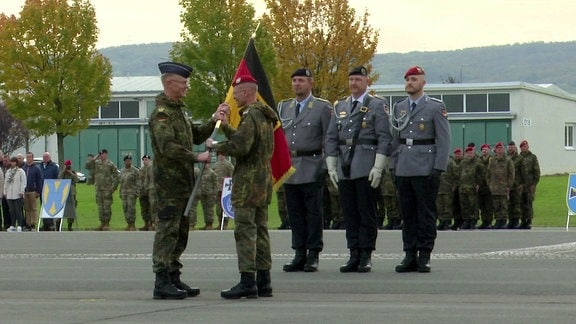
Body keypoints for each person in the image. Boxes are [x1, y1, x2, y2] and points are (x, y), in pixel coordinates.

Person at [149, 61, 228, 300]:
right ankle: (161, 279)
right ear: (170, 83)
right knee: (168, 229)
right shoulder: (162, 115)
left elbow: (193, 135)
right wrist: (196, 156)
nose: (186, 87)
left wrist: (214, 119)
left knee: (181, 230)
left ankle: (173, 274)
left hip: (183, 182)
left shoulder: (178, 112)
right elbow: (168, 147)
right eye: (183, 83)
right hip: (169, 183)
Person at [208, 74, 276, 299]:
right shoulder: (264, 116)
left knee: (245, 231)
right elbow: (247, 140)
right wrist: (227, 128)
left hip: (248, 181)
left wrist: (216, 145)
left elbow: (241, 146)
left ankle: (248, 280)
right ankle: (264, 280)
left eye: (236, 95)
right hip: (263, 179)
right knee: (261, 229)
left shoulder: (251, 116)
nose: (234, 100)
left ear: (247, 93)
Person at [325, 66, 392, 273]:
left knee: (366, 212)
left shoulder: (377, 105)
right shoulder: (340, 106)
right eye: (351, 79)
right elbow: (331, 137)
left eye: (358, 79)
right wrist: (331, 166)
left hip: (365, 166)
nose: (354, 83)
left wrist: (378, 166)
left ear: (367, 81)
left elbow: (384, 137)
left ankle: (366, 254)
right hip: (346, 167)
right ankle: (353, 252)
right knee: (350, 213)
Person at [390, 66, 451, 273]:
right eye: (407, 79)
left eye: (414, 79)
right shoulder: (399, 107)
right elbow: (394, 140)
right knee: (407, 214)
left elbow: (443, 140)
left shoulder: (435, 107)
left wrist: (438, 168)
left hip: (425, 167)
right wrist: (393, 166)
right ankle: (409, 254)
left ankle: (424, 255)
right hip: (404, 166)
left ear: (423, 83)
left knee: (425, 213)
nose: (410, 83)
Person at [278, 68, 332, 273]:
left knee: (314, 213)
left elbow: (329, 137)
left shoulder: (321, 107)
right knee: (295, 214)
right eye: (294, 81)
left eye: (301, 80)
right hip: (291, 167)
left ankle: (313, 253)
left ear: (310, 83)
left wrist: (326, 165)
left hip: (312, 164)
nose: (297, 84)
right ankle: (298, 252)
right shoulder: (285, 107)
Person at [85, 149, 120, 231]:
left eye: (103, 154)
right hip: (99, 189)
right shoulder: (96, 163)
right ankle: (102, 223)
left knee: (107, 207)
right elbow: (87, 166)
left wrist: (113, 187)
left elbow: (116, 176)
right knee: (100, 207)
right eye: (100, 154)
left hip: (107, 189)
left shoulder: (110, 164)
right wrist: (94, 158)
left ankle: (107, 224)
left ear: (106, 154)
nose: (101, 155)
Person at [486, 142, 514, 229]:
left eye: (501, 148)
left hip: (504, 187)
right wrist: (489, 184)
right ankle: (498, 221)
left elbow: (511, 174)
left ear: (503, 149)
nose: (499, 150)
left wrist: (509, 186)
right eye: (498, 149)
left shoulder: (508, 160)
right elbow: (488, 174)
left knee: (504, 205)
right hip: (494, 187)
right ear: (495, 150)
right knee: (496, 205)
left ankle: (503, 221)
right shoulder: (492, 160)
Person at [456, 146, 484, 230]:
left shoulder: (478, 162)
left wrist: (478, 184)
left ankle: (473, 220)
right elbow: (459, 174)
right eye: (467, 153)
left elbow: (481, 174)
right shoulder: (463, 163)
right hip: (463, 187)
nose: (469, 154)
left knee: (473, 205)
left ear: (473, 153)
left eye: (470, 153)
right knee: (464, 205)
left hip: (472, 187)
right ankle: (466, 220)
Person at [188, 163, 217, 230]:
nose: (205, 165)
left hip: (209, 193)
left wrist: (214, 193)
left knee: (209, 209)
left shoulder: (212, 173)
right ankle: (192, 224)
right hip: (199, 192)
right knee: (193, 209)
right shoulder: (198, 172)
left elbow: (215, 184)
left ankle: (209, 224)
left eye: (206, 164)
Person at [518, 140, 540, 229]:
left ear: (528, 147)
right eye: (522, 147)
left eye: (525, 146)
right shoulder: (519, 158)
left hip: (530, 184)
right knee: (521, 203)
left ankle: (529, 220)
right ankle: (523, 221)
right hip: (521, 185)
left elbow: (537, 172)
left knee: (529, 203)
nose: (524, 148)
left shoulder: (533, 157)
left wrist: (534, 184)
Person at [436, 149, 459, 231]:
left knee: (447, 206)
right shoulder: (436, 160)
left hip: (448, 188)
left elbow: (456, 175)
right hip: (438, 188)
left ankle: (447, 221)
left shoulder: (450, 162)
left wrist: (455, 185)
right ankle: (441, 221)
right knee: (439, 206)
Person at [3, 157, 26, 232]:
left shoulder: (20, 171)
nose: (13, 163)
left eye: (14, 162)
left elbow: (23, 182)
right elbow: (5, 183)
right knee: (11, 211)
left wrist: (22, 191)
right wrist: (5, 192)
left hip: (17, 194)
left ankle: (20, 225)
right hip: (9, 194)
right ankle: (12, 225)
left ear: (16, 163)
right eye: (12, 162)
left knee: (18, 210)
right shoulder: (8, 172)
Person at [22, 152, 43, 231]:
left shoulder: (36, 168)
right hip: (25, 191)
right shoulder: (24, 168)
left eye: (30, 157)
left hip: (33, 191)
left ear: (32, 158)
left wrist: (38, 191)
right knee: (27, 209)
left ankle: (34, 224)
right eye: (27, 157)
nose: (28, 159)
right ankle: (28, 223)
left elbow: (39, 180)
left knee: (33, 208)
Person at [212, 152, 234, 230]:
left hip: (225, 190)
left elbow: (232, 176)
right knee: (218, 208)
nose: (221, 156)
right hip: (217, 189)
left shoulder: (228, 165)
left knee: (225, 207)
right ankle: (219, 222)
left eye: (222, 154)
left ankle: (225, 224)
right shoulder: (215, 166)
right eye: (220, 155)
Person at [39, 152, 59, 231]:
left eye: (47, 157)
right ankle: (45, 224)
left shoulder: (54, 167)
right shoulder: (39, 166)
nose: (45, 158)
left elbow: (57, 178)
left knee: (50, 207)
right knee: (43, 207)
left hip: (51, 190)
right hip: (42, 189)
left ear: (50, 157)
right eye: (44, 157)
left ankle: (51, 224)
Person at [119, 155, 140, 231]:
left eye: (129, 160)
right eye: (127, 160)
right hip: (124, 193)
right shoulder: (122, 171)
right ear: (124, 162)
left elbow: (138, 182)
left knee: (131, 208)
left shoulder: (135, 170)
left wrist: (137, 192)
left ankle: (132, 224)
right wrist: (120, 192)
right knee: (125, 208)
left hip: (132, 192)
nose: (128, 162)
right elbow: (121, 182)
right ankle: (128, 223)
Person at [58, 160, 79, 230]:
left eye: (69, 166)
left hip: (72, 193)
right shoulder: (63, 173)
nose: (68, 167)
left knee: (71, 210)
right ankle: (59, 224)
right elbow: (59, 178)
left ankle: (70, 225)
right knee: (61, 209)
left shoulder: (73, 172)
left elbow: (77, 180)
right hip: (63, 193)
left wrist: (71, 173)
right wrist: (64, 171)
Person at [507, 141, 523, 229]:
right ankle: (510, 221)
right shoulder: (506, 158)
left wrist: (522, 183)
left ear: (515, 148)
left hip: (517, 184)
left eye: (512, 147)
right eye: (509, 147)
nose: (510, 148)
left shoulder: (519, 158)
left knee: (516, 203)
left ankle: (516, 221)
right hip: (508, 185)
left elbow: (523, 172)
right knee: (509, 204)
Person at [477, 144, 494, 229]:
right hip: (481, 186)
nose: (484, 151)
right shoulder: (478, 160)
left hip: (489, 185)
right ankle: (484, 221)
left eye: (486, 149)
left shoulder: (492, 160)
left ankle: (489, 221)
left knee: (489, 205)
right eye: (483, 149)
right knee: (482, 205)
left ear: (489, 150)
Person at [142, 155, 157, 231]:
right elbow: (147, 179)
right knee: (152, 205)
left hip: (160, 189)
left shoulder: (162, 164)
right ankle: (154, 222)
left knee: (160, 205)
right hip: (151, 188)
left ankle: (160, 222)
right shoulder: (150, 166)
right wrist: (146, 188)